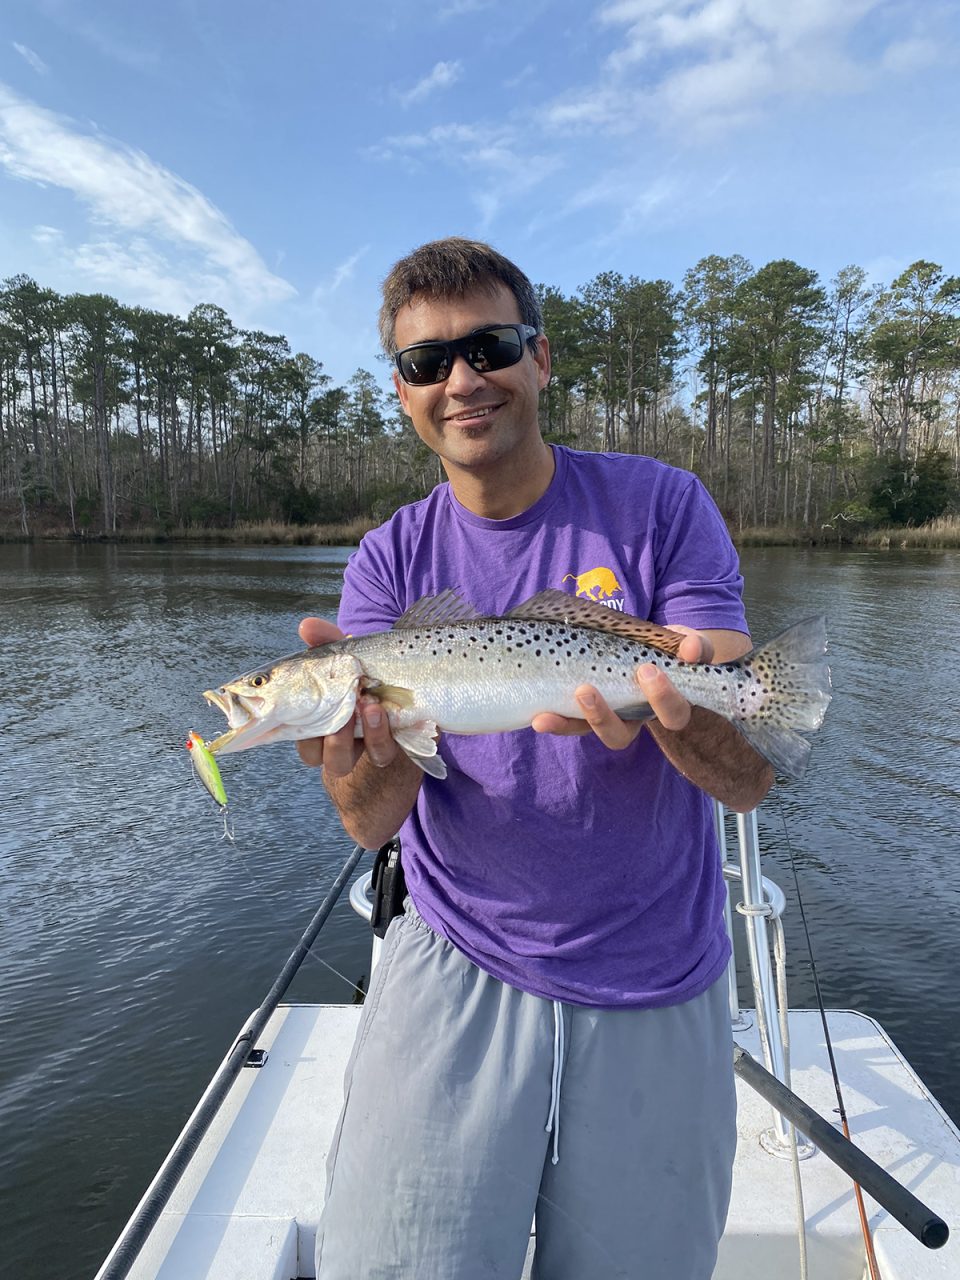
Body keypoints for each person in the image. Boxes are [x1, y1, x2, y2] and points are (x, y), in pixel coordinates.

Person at [297, 237, 774, 1279]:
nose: (463, 379)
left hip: (660, 969)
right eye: (428, 362)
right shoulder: (390, 559)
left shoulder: (663, 505)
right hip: (453, 953)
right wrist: (368, 743)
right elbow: (366, 822)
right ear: (403, 393)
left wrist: (681, 710)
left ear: (542, 358)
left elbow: (749, 780)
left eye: (490, 346)